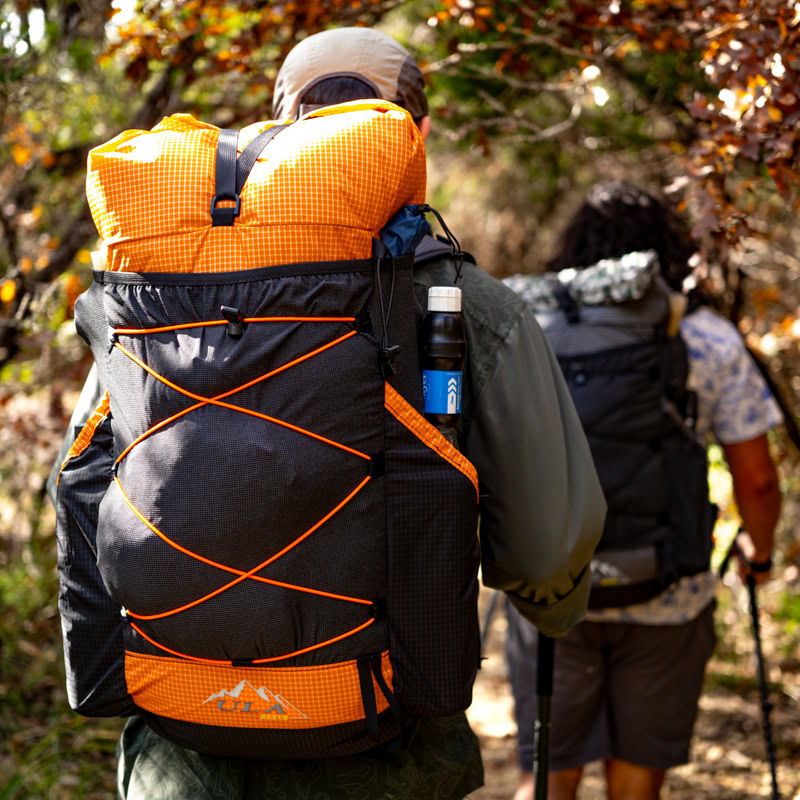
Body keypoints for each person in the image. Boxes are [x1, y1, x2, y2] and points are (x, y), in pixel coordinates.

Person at [48, 27, 605, 800]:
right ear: (417, 134)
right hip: (386, 745)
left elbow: (86, 477)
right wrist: (555, 611)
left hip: (179, 746)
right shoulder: (461, 303)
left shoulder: (154, 293)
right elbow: (547, 551)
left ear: (280, 124)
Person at [504, 181, 783, 800]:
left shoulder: (532, 328)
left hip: (554, 591)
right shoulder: (702, 336)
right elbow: (758, 480)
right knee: (637, 783)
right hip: (669, 595)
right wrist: (758, 556)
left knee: (546, 775)